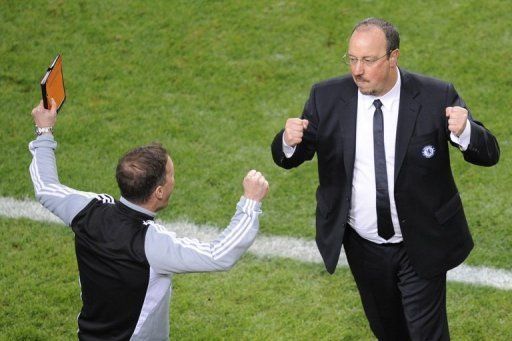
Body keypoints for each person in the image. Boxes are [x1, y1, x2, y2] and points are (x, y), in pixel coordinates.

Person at [271, 17, 499, 340]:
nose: (357, 70)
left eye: (368, 60)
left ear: (393, 58)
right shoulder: (326, 98)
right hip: (363, 247)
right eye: (352, 59)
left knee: (427, 335)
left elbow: (490, 153)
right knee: (388, 332)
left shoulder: (435, 96)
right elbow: (291, 156)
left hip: (420, 242)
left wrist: (466, 132)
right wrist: (287, 140)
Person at [29, 99, 269, 340]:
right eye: (171, 175)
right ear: (159, 192)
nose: (174, 179)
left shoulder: (87, 209)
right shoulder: (151, 244)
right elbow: (219, 255)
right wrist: (250, 202)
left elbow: (46, 187)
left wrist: (44, 130)